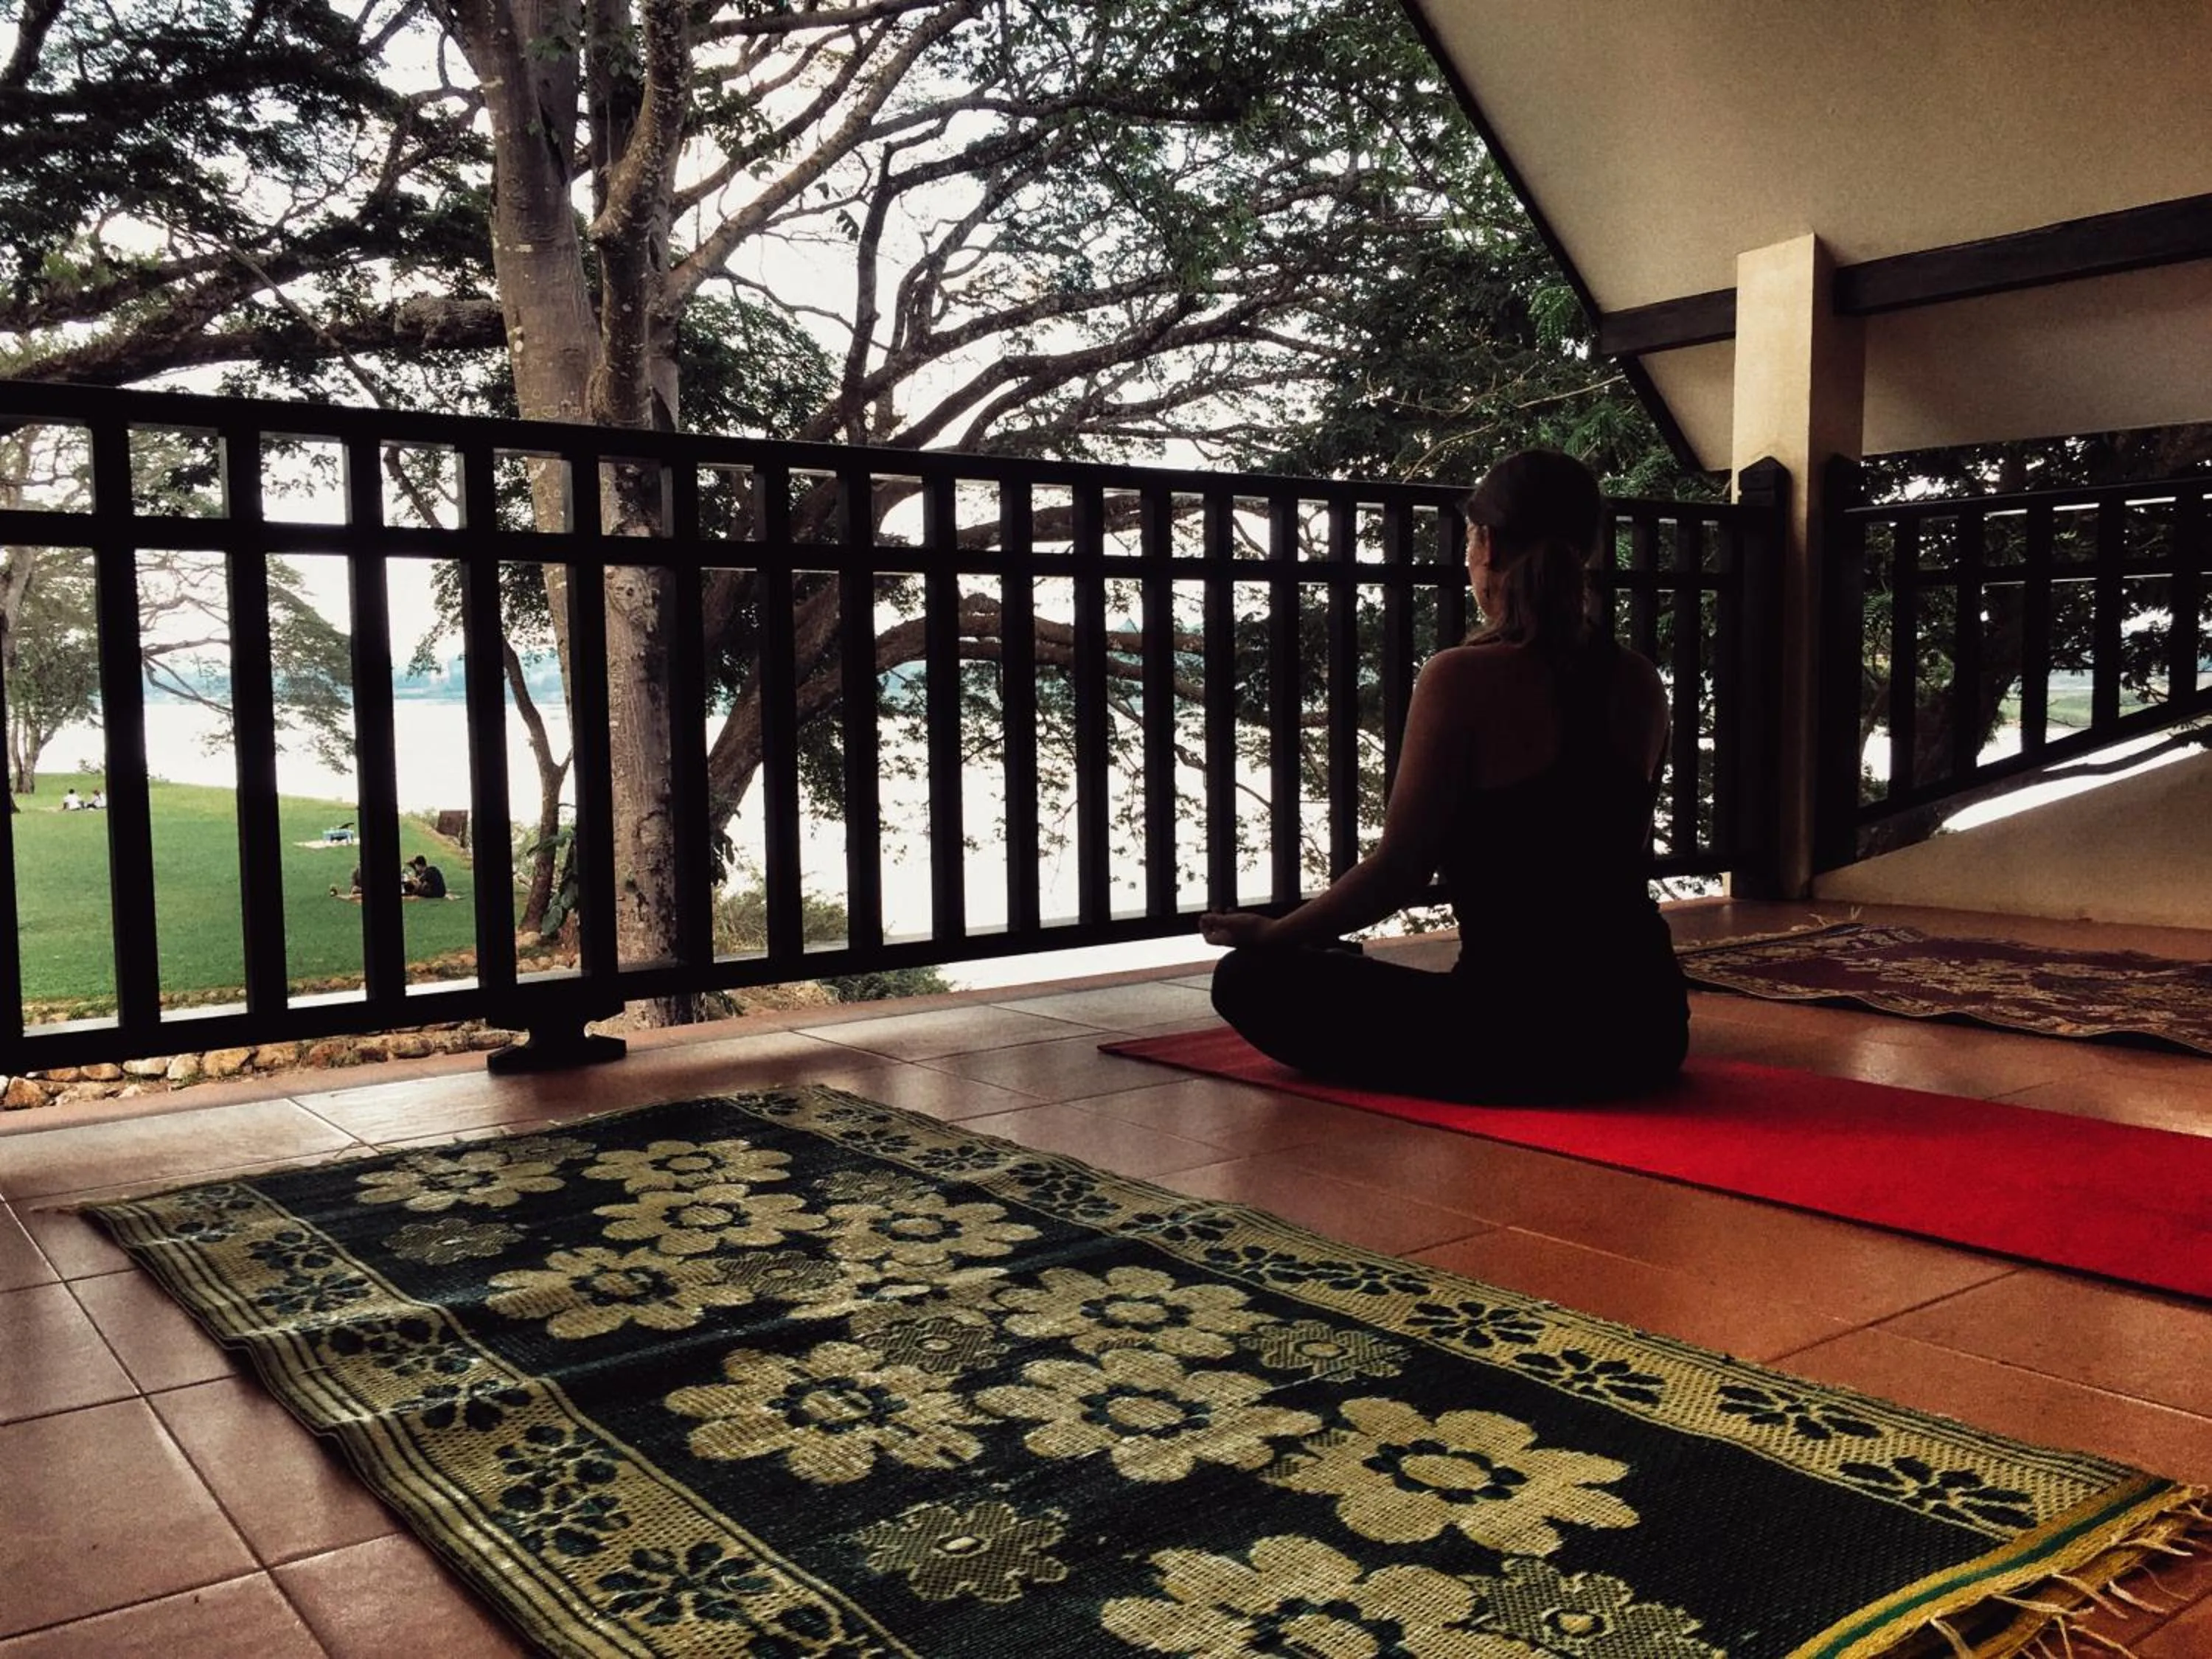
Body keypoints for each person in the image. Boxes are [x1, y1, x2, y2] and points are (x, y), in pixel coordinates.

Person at [1199, 448, 1688, 1104]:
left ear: (1486, 544)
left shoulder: (1459, 677)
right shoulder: (1640, 680)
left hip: (1513, 1033)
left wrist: (1273, 933)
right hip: (1648, 1031)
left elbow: (1399, 871)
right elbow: (1620, 859)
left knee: (1248, 980)